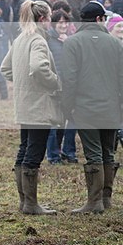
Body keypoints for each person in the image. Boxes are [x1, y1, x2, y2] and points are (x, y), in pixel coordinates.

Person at [61, 1, 123, 213]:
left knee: (94, 154)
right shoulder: (116, 44)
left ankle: (94, 201)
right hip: (112, 108)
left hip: (85, 107)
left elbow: (69, 79)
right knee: (108, 152)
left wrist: (66, 107)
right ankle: (106, 199)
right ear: (100, 19)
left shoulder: (72, 43)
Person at [0, 0, 60, 215]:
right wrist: (55, 82)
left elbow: (5, 69)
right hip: (39, 105)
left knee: (24, 149)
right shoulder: (38, 41)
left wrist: (24, 83)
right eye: (50, 17)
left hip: (24, 104)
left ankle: (25, 202)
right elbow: (38, 67)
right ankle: (31, 204)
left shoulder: (20, 39)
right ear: (43, 19)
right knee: (34, 151)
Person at [45, 9, 77, 165]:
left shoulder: (70, 40)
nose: (63, 25)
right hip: (55, 86)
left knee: (72, 119)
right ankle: (53, 155)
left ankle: (68, 151)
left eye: (66, 22)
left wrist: (69, 43)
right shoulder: (48, 39)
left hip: (70, 86)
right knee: (55, 122)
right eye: (60, 22)